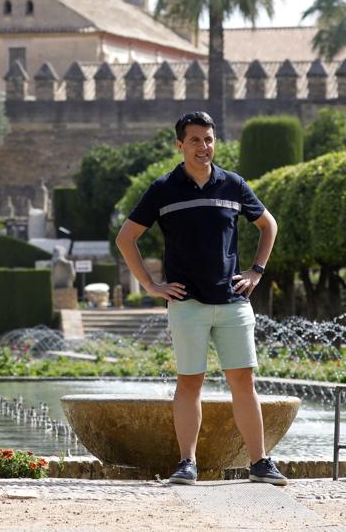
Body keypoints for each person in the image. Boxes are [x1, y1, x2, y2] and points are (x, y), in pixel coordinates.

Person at [115, 111, 285, 486]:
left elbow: (268, 225)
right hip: (187, 304)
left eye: (208, 139)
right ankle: (186, 464)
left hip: (233, 303)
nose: (203, 147)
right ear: (179, 145)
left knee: (244, 382)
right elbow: (126, 238)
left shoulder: (234, 185)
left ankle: (260, 462)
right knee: (189, 382)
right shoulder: (163, 188)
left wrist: (256, 271)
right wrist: (150, 285)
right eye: (194, 140)